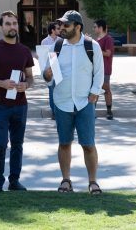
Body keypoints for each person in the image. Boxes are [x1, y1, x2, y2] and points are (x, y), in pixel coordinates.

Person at [43, 10, 104, 195]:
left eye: (66, 25)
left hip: (85, 103)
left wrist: (94, 93)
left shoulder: (92, 46)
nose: (62, 28)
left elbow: (99, 72)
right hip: (62, 102)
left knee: (88, 144)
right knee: (64, 143)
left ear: (77, 27)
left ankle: (93, 182)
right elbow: (48, 74)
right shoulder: (57, 47)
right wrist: (47, 75)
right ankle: (66, 180)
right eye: (61, 25)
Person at [0, 10, 34, 192]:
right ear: (1, 27)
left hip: (20, 105)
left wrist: (25, 86)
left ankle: (14, 181)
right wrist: (1, 84)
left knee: (17, 144)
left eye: (14, 23)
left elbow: (30, 78)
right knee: (1, 143)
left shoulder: (24, 51)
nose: (12, 27)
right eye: (8, 24)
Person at [93, 19, 115, 120]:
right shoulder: (97, 40)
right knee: (95, 90)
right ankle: (92, 111)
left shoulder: (108, 39)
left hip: (105, 69)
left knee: (106, 89)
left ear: (101, 28)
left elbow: (108, 53)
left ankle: (109, 111)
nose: (94, 29)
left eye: (95, 27)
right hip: (96, 69)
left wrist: (96, 49)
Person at [41, 22, 62, 119]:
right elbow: (42, 57)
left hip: (59, 69)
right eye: (57, 28)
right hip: (49, 70)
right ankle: (53, 112)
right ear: (52, 30)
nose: (59, 30)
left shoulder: (61, 41)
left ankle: (59, 110)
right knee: (51, 91)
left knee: (59, 90)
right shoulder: (44, 42)